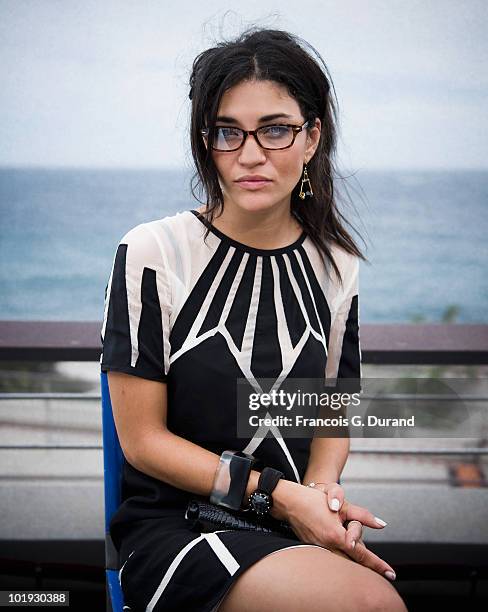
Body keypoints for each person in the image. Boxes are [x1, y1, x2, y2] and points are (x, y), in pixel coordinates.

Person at [100, 26, 408, 612]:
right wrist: (277, 494)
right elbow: (141, 442)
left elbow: (329, 421)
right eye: (226, 132)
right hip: (180, 527)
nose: (249, 154)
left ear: (312, 137)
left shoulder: (336, 266)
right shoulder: (154, 253)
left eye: (275, 129)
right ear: (204, 139)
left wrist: (320, 498)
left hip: (290, 523)